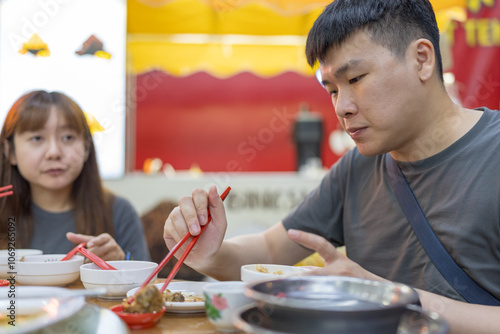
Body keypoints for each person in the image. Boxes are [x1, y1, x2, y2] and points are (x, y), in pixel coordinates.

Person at [163, 0, 500, 332]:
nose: (342, 107)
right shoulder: (357, 168)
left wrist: (388, 296)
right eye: (332, 90)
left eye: (355, 78)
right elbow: (271, 250)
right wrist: (210, 253)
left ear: (421, 59)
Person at [0, 90, 150, 261]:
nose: (54, 152)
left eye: (68, 137)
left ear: (86, 148)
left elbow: (146, 286)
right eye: (37, 138)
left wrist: (122, 266)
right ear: (9, 151)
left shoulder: (119, 212)